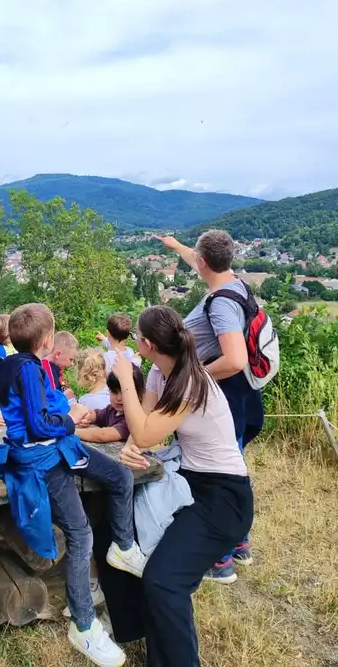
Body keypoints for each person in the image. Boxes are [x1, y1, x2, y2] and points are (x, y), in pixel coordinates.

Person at [96, 305, 253, 667]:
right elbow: (144, 427)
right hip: (190, 482)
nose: (134, 342)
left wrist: (124, 375)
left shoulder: (191, 381)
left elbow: (144, 432)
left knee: (165, 580)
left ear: (148, 344)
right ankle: (141, 633)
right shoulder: (159, 372)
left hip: (223, 498)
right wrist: (132, 448)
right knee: (112, 531)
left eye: (136, 336)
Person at [0, 303, 146, 667]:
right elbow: (38, 426)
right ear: (48, 340)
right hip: (44, 458)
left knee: (120, 475)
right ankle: (83, 624)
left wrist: (66, 418)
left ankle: (123, 546)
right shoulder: (28, 369)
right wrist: (71, 418)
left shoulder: (15, 363)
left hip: (61, 447)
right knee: (80, 534)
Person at [157, 229, 261, 578]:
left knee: (217, 474)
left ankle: (220, 560)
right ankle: (239, 542)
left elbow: (235, 359)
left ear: (204, 262)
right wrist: (176, 247)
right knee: (233, 465)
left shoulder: (222, 304)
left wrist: (192, 376)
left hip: (223, 399)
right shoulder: (234, 283)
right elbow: (200, 259)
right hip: (238, 398)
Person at [76, 369, 144, 444]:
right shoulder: (111, 410)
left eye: (124, 392)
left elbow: (103, 435)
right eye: (114, 392)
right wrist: (86, 418)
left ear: (139, 394)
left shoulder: (133, 419)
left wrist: (73, 431)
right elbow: (96, 415)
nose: (118, 398)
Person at [42, 331, 78, 400]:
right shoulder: (47, 369)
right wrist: (65, 396)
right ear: (57, 354)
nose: (72, 364)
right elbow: (51, 400)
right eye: (70, 359)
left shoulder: (56, 369)